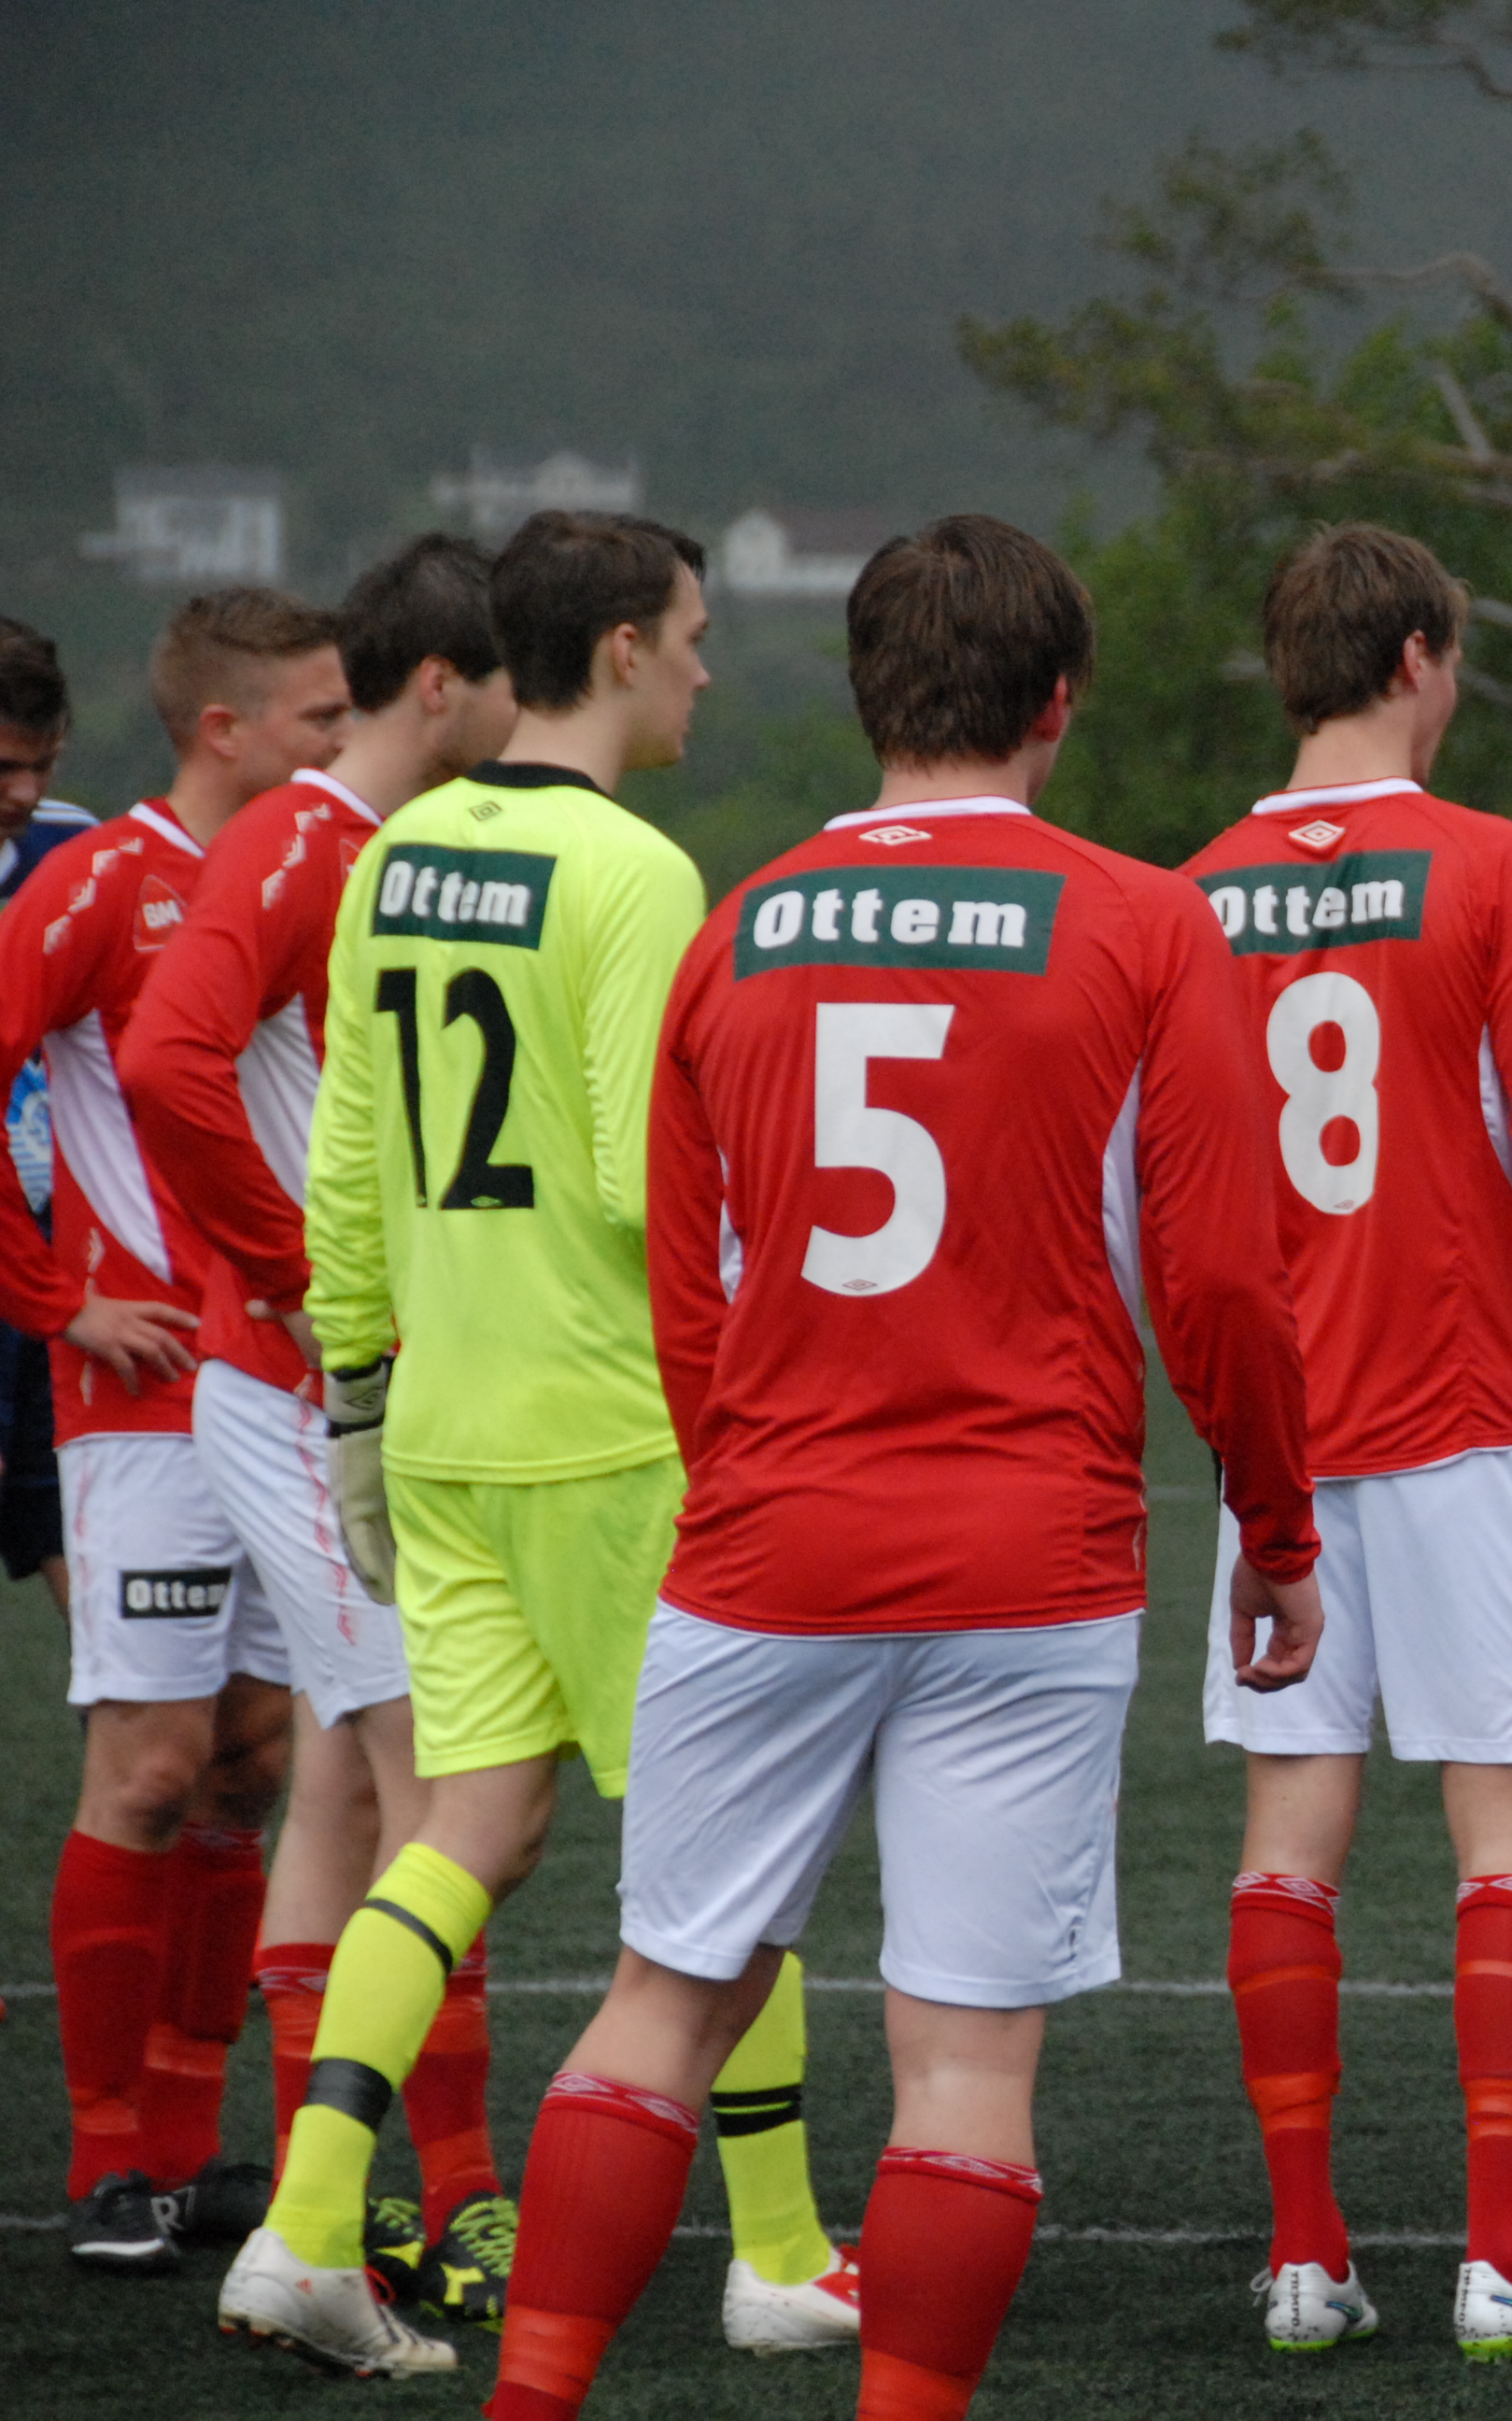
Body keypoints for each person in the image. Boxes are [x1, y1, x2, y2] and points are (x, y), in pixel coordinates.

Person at [483, 513, 1323, 2421]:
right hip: (1029, 1557)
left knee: (661, 2005)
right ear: (1058, 700)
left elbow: (683, 1292)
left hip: (767, 1541)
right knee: (964, 2067)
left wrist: (747, 1484)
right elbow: (1221, 1281)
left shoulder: (735, 930)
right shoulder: (1144, 922)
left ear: (866, 690)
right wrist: (1276, 1531)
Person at [222, 512, 848, 2377]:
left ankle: (305, 2230)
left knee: (465, 1831)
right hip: (611, 1433)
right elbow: (654, 1181)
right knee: (731, 1836)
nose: (710, 667)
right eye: (695, 633)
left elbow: (345, 1158)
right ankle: (781, 2252)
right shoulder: (637, 872)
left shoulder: (403, 846)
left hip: (442, 1429)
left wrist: (355, 1394)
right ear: (626, 648)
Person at [1188, 521, 1512, 2360]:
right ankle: (1508, 2257)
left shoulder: (1192, 891)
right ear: (1414, 657)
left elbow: (1175, 1202)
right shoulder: (1487, 864)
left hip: (1277, 1444)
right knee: (1507, 1826)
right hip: (1463, 1410)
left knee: (1288, 1834)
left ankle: (1304, 2256)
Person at [120, 538, 524, 2324]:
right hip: (301, 1397)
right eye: (507, 678)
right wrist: (290, 1271)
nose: (524, 707)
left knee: (354, 1791)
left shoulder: (399, 848)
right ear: (442, 684)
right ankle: (439, 2207)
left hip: (352, 1391)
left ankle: (337, 2204)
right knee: (449, 1790)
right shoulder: (298, 837)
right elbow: (166, 1059)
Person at [1, 590, 345, 2275]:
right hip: (139, 1401)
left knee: (255, 1762)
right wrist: (53, 1298)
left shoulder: (323, 869)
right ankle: (105, 2160)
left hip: (290, 1390)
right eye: (319, 717)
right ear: (226, 727)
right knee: (147, 1765)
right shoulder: (99, 880)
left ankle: (199, 2145)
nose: (345, 742)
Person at [0, 618, 99, 1615]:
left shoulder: (79, 850)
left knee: (88, 1555)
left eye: (43, 764)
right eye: (3, 768)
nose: (24, 793)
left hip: (54, 1256)